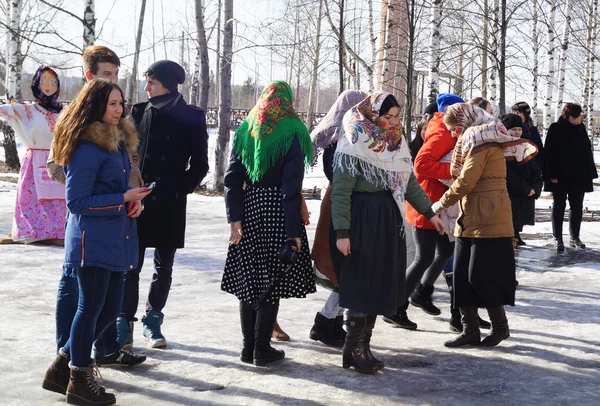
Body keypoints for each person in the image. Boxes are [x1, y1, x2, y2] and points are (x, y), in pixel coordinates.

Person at [42, 79, 152, 405]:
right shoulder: (86, 147)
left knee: (111, 310)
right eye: (112, 104)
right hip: (90, 241)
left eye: (121, 104)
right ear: (95, 107)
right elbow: (77, 202)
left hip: (115, 238)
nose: (119, 110)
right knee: (89, 310)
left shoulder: (117, 146)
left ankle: (62, 365)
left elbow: (119, 190)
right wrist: (122, 198)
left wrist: (134, 201)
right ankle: (78, 379)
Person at [331, 91, 445, 373]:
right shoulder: (354, 140)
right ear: (372, 115)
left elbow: (409, 184)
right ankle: (353, 348)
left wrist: (431, 213)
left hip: (387, 218)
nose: (393, 122)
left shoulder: (395, 143)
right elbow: (341, 191)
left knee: (378, 281)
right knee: (362, 281)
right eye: (387, 116)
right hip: (363, 218)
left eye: (396, 116)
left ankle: (363, 347)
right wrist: (342, 231)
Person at [222, 80, 316, 366]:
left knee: (249, 279)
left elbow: (231, 181)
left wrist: (234, 218)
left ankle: (247, 347)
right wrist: (292, 233)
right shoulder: (294, 131)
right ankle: (262, 348)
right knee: (272, 280)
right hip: (278, 212)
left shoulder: (245, 130)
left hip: (250, 210)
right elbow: (290, 187)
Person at [118, 60, 209, 349]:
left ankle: (153, 319)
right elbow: (125, 155)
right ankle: (124, 322)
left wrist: (179, 189)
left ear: (168, 84)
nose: (146, 88)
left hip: (170, 200)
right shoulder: (137, 112)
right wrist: (130, 187)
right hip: (138, 199)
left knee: (164, 265)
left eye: (152, 82)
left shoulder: (192, 116)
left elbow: (201, 164)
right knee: (130, 265)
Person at [432, 102, 537, 348]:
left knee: (480, 277)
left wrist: (438, 206)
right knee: (460, 277)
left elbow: (465, 182)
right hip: (470, 217)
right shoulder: (474, 141)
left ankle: (500, 327)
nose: (453, 134)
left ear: (467, 122)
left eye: (455, 128)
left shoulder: (484, 143)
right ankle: (470, 330)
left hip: (489, 219)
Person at [385, 93, 462, 330]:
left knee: (444, 251)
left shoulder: (445, 129)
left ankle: (422, 292)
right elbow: (421, 165)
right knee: (424, 256)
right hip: (428, 204)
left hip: (436, 204)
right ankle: (396, 308)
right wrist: (455, 169)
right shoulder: (440, 130)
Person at [308, 90, 365, 348]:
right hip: (345, 204)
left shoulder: (333, 137)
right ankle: (325, 320)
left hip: (338, 202)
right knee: (349, 269)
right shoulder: (346, 138)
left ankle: (330, 320)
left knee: (348, 269)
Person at [0, 65, 65, 244]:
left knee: (58, 197)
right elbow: (4, 110)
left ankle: (58, 232)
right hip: (35, 158)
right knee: (32, 196)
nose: (47, 84)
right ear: (36, 84)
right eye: (43, 80)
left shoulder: (63, 112)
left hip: (58, 158)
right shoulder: (28, 110)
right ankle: (31, 231)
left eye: (52, 81)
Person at [544, 103, 598, 252]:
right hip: (559, 176)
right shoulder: (556, 128)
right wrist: (551, 174)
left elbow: (586, 152)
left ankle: (575, 237)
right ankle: (558, 238)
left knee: (576, 206)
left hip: (578, 176)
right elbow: (549, 152)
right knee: (559, 205)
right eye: (579, 115)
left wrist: (589, 173)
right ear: (571, 117)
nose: (581, 117)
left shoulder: (580, 129)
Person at [501, 113, 542, 246]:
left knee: (520, 216)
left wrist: (535, 188)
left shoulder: (525, 144)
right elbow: (507, 172)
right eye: (513, 129)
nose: (517, 132)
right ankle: (512, 235)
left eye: (519, 129)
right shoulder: (502, 147)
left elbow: (536, 169)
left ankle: (517, 232)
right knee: (511, 214)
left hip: (526, 189)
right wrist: (525, 188)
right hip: (512, 189)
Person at [512, 101, 544, 171]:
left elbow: (539, 150)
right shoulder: (509, 128)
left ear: (525, 114)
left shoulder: (532, 130)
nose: (515, 115)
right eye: (513, 112)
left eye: (518, 113)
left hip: (531, 166)